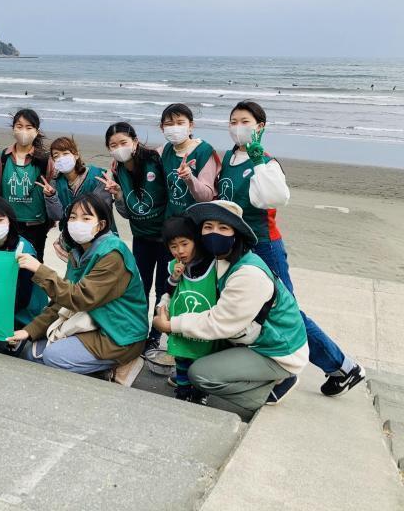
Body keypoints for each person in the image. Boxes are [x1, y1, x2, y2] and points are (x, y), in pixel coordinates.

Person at [219, 100, 365, 399]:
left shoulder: (267, 162)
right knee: (254, 310)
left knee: (285, 312)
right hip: (239, 248)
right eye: (233, 121)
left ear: (260, 127)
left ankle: (339, 366)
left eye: (245, 121)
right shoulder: (229, 158)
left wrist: (258, 161)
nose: (238, 127)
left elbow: (273, 198)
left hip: (264, 246)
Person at [152, 201, 309, 414]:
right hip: (253, 338)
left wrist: (170, 325)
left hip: (277, 351)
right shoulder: (222, 260)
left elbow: (219, 322)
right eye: (208, 227)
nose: (214, 233)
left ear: (237, 234)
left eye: (223, 227)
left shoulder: (248, 273)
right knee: (198, 362)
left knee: (200, 375)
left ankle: (269, 389)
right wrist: (166, 301)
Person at [7, 194, 148, 386]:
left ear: (101, 225)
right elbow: (61, 301)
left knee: (53, 357)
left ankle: (116, 368)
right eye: (73, 217)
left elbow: (79, 298)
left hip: (118, 334)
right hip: (92, 322)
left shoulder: (112, 255)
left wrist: (40, 270)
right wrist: (28, 331)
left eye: (86, 218)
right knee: (31, 354)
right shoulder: (79, 252)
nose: (77, 223)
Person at [98, 122, 168, 350]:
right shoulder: (118, 171)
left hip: (166, 238)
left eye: (123, 142)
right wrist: (118, 195)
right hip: (141, 237)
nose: (119, 148)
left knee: (164, 288)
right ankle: (138, 331)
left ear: (135, 142)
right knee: (140, 287)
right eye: (113, 145)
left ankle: (155, 335)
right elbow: (127, 213)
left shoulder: (155, 162)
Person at [0, 197, 49, 353]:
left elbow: (23, 298)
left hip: (22, 314)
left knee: (5, 347)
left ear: (9, 221)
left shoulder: (23, 250)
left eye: (0, 220)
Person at [158, 217, 218, 404]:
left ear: (196, 241)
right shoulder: (174, 266)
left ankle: (200, 394)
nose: (180, 251)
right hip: (180, 326)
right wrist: (175, 277)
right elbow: (168, 291)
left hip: (203, 327)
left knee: (201, 362)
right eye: (173, 246)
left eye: (185, 244)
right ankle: (183, 391)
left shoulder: (213, 265)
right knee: (182, 359)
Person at [0, 109, 62, 261]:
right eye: (19, 126)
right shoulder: (3, 157)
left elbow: (53, 190)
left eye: (29, 127)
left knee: (33, 264)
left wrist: (50, 194)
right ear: (13, 129)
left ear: (36, 131)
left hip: (36, 226)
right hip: (8, 223)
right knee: (8, 263)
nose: (24, 131)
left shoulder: (45, 160)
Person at [49, 136, 113, 260]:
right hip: (73, 238)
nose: (61, 158)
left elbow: (105, 213)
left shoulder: (96, 177)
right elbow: (57, 216)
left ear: (76, 155)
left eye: (65, 153)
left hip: (99, 239)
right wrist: (50, 196)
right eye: (56, 156)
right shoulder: (56, 182)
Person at [158, 104, 220, 218]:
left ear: (191, 126)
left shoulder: (203, 151)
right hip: (171, 219)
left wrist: (190, 178)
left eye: (180, 123)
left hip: (196, 219)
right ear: (162, 127)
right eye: (169, 124)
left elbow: (206, 197)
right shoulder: (165, 149)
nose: (175, 128)